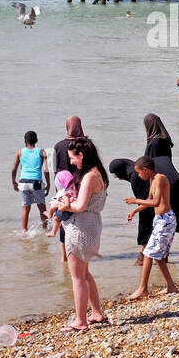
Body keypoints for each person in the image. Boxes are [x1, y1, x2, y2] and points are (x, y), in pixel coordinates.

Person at [50, 137, 108, 332]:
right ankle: (97, 313)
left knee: (77, 277)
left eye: (73, 158)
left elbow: (80, 206)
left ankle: (80, 320)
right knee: (84, 273)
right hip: (92, 226)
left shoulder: (90, 177)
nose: (72, 162)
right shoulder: (97, 174)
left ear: (81, 155)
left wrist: (62, 205)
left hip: (80, 229)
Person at [123, 157, 179, 298]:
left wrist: (135, 200)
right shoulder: (152, 179)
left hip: (166, 220)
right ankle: (171, 286)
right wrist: (135, 211)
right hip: (159, 220)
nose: (139, 176)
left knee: (148, 253)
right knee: (157, 256)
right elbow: (149, 201)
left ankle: (143, 289)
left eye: (139, 173)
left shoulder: (160, 179)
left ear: (146, 170)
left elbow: (156, 202)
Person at [52, 116, 88, 262]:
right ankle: (79, 253)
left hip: (61, 187)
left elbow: (53, 168)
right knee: (79, 220)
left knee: (62, 219)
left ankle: (64, 256)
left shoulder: (58, 145)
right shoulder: (84, 144)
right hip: (79, 187)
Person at [10, 131, 50, 231]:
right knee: (42, 209)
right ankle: (45, 230)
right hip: (36, 182)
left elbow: (13, 169)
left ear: (25, 141)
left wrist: (14, 182)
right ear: (36, 140)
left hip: (23, 182)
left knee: (25, 209)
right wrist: (48, 184)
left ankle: (24, 231)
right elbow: (45, 170)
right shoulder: (41, 152)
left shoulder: (20, 152)